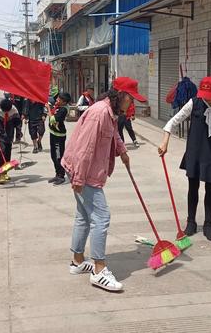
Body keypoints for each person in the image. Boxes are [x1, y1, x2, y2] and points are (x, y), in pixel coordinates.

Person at [62, 77, 146, 292]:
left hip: (88, 172)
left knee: (83, 216)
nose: (131, 104)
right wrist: (79, 179)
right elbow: (85, 148)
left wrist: (123, 151)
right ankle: (99, 270)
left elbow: (115, 133)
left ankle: (78, 262)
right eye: (131, 99)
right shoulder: (99, 113)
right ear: (122, 96)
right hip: (85, 172)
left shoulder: (109, 112)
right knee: (102, 217)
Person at [158, 76, 211, 242]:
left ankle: (208, 225)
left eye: (208, 94)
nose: (204, 97)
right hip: (195, 151)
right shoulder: (194, 103)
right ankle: (191, 222)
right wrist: (165, 141)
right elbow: (172, 122)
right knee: (193, 187)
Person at [0, 98, 21, 185]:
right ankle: (1, 174)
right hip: (0, 136)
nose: (6, 112)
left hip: (9, 135)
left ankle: (5, 172)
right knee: (1, 152)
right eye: (4, 111)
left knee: (7, 153)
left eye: (8, 111)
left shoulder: (14, 110)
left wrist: (18, 134)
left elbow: (18, 123)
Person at [47, 91, 71, 186]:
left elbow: (53, 119)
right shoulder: (58, 107)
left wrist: (48, 109)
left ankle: (61, 175)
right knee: (53, 155)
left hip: (59, 136)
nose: (57, 100)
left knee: (58, 156)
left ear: (64, 102)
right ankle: (57, 173)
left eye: (59, 99)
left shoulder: (63, 110)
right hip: (53, 133)